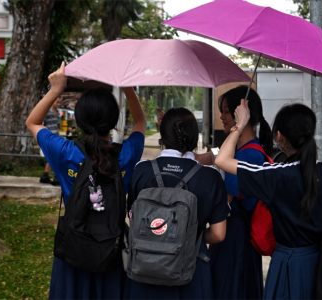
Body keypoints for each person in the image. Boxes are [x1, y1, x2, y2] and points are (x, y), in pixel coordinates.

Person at [25, 62, 146, 299]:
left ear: (79, 120)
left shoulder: (65, 152)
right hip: (112, 248)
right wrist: (128, 88)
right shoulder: (126, 154)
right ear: (113, 121)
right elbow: (140, 123)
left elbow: (33, 122)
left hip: (74, 249)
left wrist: (56, 89)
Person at [215, 101, 322, 300]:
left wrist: (240, 123)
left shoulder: (276, 175)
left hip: (288, 265)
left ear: (279, 136)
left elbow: (222, 160)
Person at [124, 107, 229, 300]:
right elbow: (218, 234)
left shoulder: (141, 170)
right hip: (191, 273)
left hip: (145, 271)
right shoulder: (211, 177)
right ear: (195, 138)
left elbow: (132, 216)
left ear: (162, 137)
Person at [208, 86, 272, 300]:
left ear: (241, 115)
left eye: (227, 111)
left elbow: (223, 202)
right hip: (236, 232)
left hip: (234, 235)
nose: (221, 117)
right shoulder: (244, 150)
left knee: (228, 289)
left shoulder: (247, 156)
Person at [39, 96, 62, 185]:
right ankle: (56, 177)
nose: (58, 104)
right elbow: (42, 124)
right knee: (54, 157)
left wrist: (59, 135)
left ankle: (45, 176)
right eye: (57, 102)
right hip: (49, 137)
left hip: (55, 137)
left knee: (53, 157)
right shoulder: (47, 111)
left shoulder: (58, 112)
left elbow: (56, 125)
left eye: (60, 102)